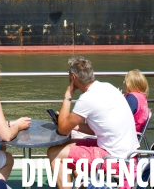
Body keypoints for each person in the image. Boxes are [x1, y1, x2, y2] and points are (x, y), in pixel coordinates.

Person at [47, 56, 139, 189]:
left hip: (114, 160)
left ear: (73, 78)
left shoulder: (87, 99)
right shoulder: (108, 87)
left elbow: (62, 130)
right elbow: (96, 129)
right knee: (66, 144)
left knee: (54, 153)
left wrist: (68, 95)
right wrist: (74, 125)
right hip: (128, 155)